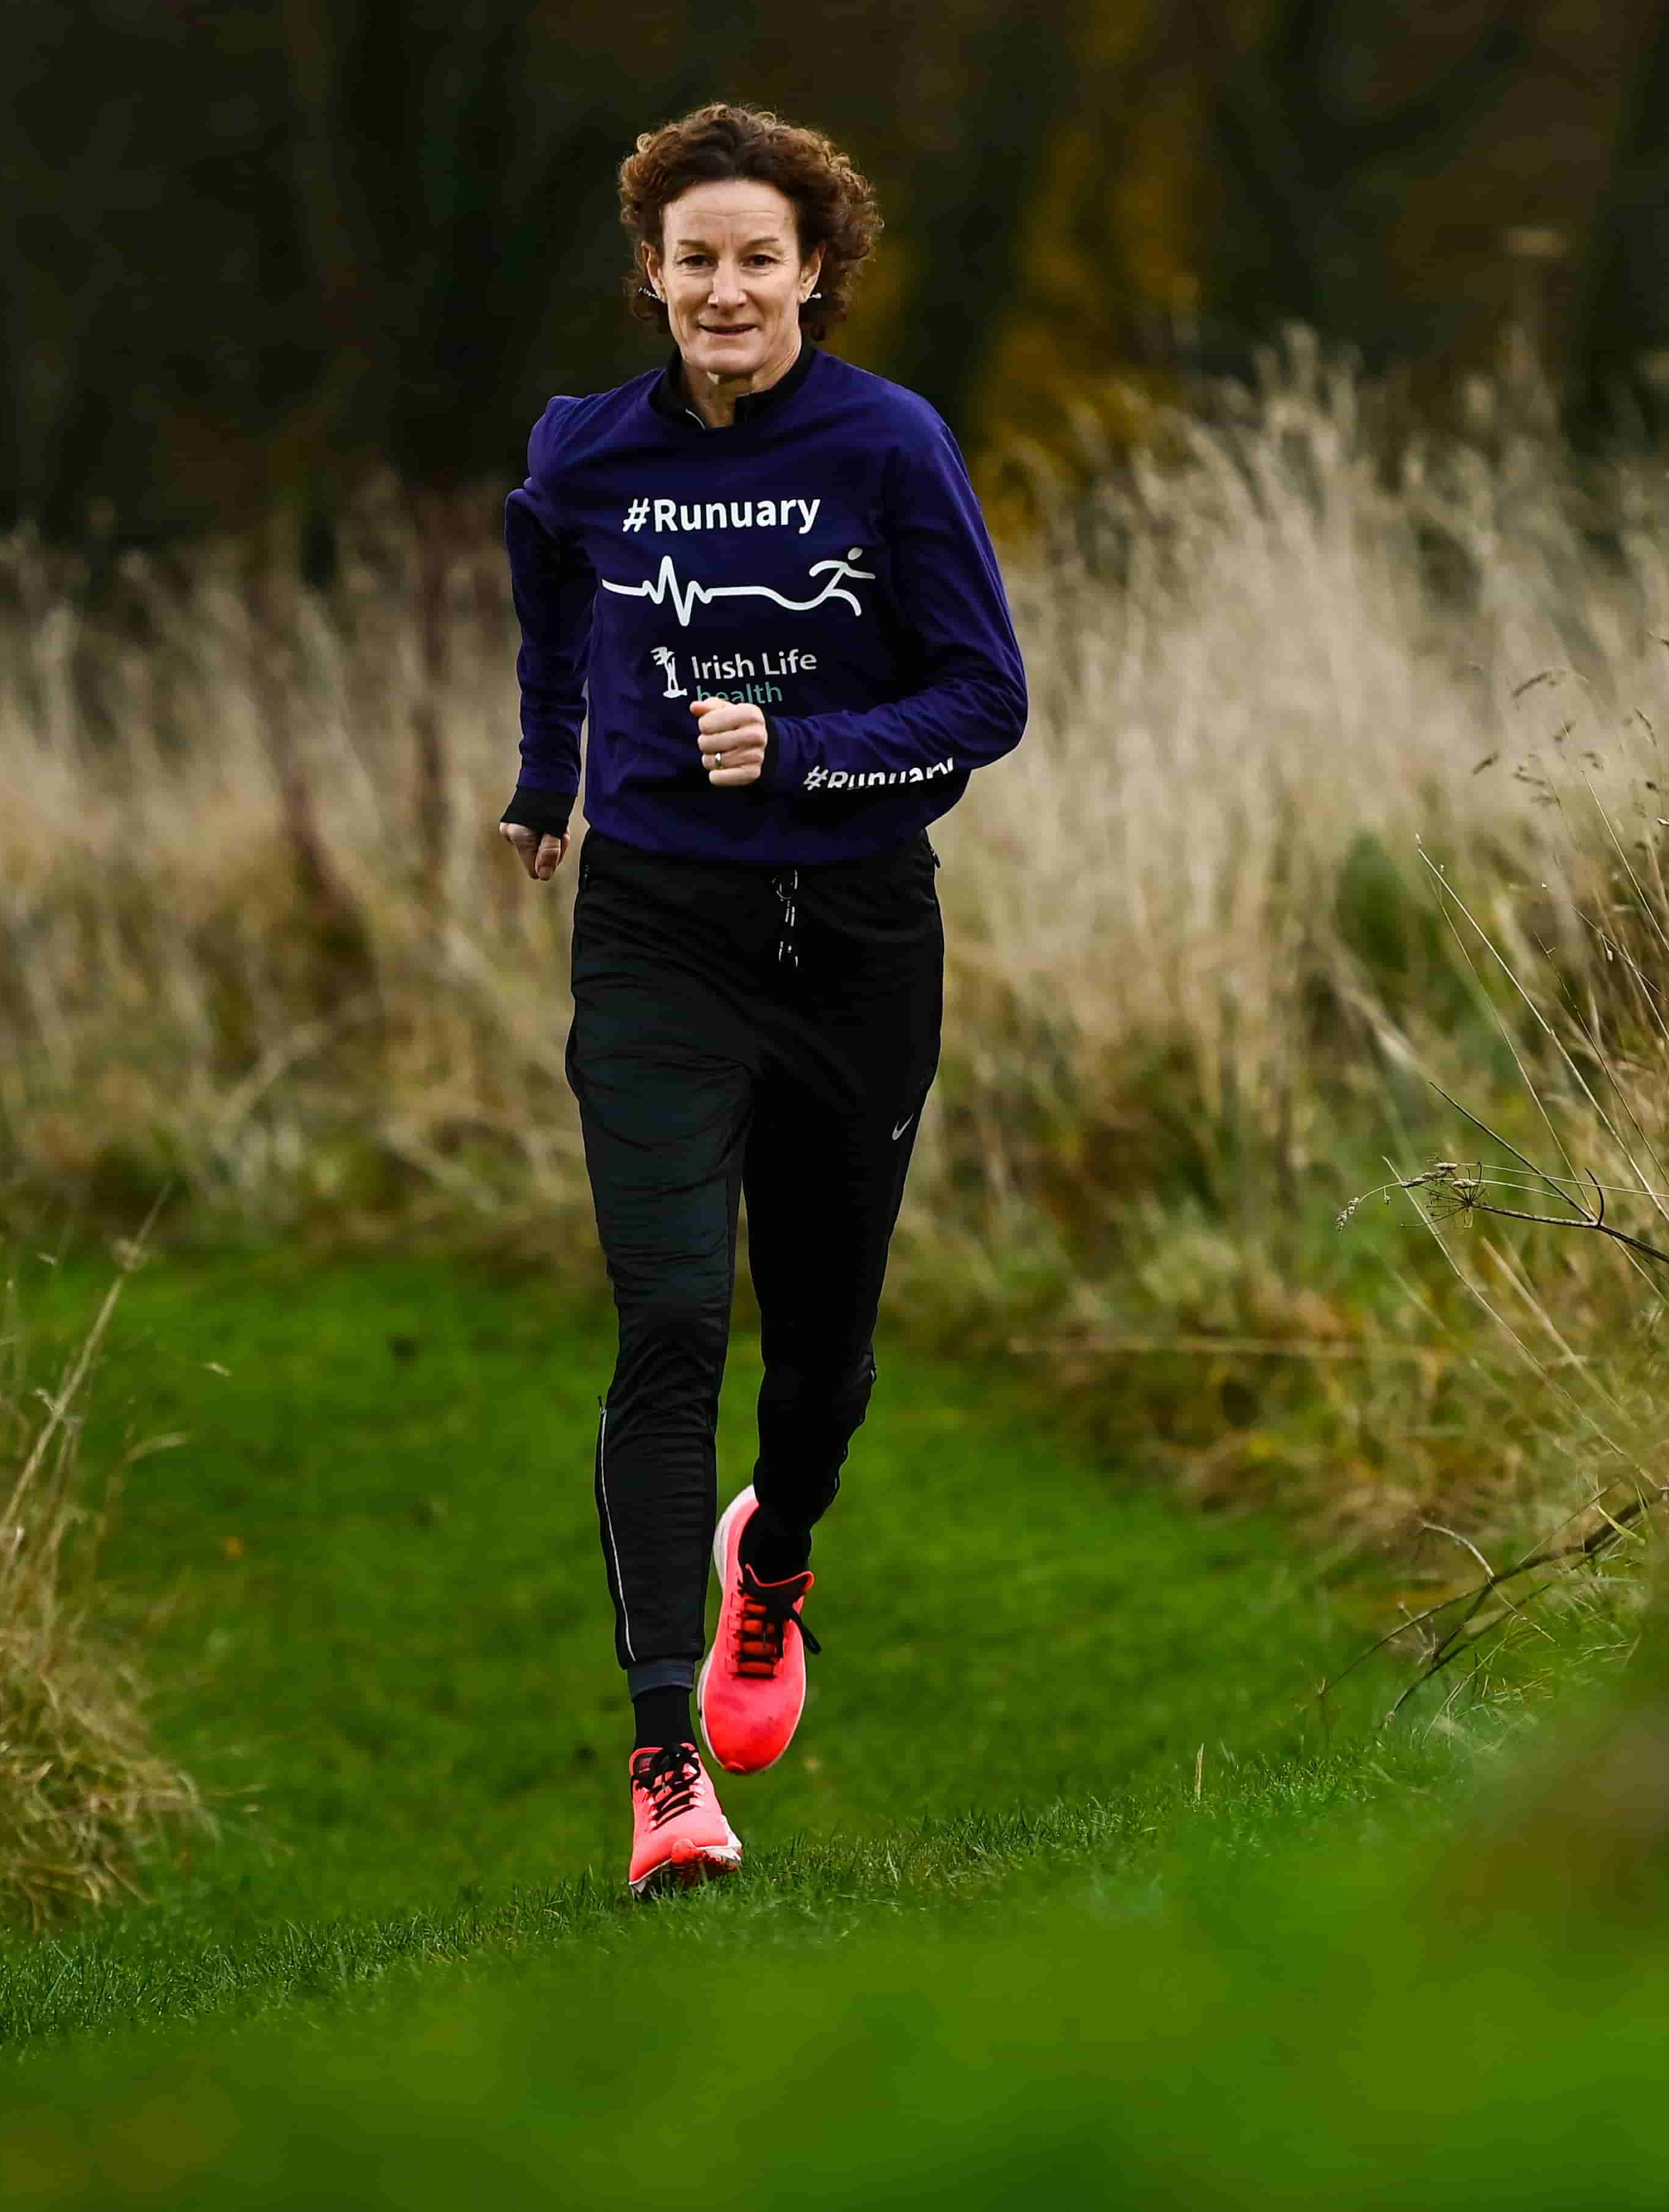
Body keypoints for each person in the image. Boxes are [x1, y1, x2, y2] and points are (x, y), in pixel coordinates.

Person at [498, 103, 1028, 1896]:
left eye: (759, 256)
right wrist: (545, 777)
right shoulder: (589, 451)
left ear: (817, 273)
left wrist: (797, 748)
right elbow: (544, 585)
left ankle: (775, 1558)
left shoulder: (889, 448)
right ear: (651, 274)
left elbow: (983, 700)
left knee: (817, 1366)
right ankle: (664, 1770)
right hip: (655, 937)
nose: (725, 287)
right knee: (666, 1333)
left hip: (857, 940)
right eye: (694, 256)